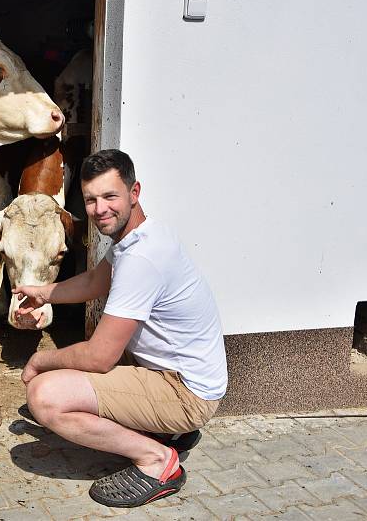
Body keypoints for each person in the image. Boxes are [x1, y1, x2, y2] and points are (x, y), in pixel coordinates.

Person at [12, 149, 227, 508]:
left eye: (110, 196)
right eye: (91, 200)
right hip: (175, 375)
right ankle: (167, 431)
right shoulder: (141, 237)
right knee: (98, 339)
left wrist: (40, 361)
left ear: (134, 192)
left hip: (186, 393)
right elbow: (96, 281)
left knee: (45, 396)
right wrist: (42, 293)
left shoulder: (142, 259)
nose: (100, 210)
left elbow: (98, 357)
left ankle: (158, 460)